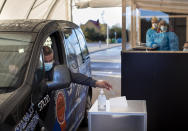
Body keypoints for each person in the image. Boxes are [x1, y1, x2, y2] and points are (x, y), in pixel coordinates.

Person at [43, 46, 112, 90]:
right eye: (46, 61)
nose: (49, 63)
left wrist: (96, 83)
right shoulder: (34, 69)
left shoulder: (56, 67)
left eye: (51, 60)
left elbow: (74, 76)